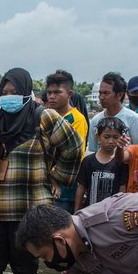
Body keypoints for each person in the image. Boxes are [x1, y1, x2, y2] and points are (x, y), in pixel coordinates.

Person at [0, 68, 82, 274]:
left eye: (14, 91)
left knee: (25, 268)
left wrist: (57, 177)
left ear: (25, 92)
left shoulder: (44, 117)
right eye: (5, 91)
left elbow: (74, 147)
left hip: (30, 210)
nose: (9, 96)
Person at [44, 70, 88, 213]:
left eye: (57, 92)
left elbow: (74, 154)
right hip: (45, 181)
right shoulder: (46, 116)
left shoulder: (76, 119)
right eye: (49, 92)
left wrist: (55, 179)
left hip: (65, 184)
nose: (52, 96)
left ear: (69, 94)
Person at [75, 117, 129, 211]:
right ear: (98, 137)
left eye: (115, 137)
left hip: (112, 212)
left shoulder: (121, 163)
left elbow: (122, 189)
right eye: (106, 137)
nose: (111, 141)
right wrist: (76, 211)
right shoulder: (88, 161)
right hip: (90, 211)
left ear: (121, 137)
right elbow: (81, 187)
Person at [87, 72, 138, 152]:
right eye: (100, 93)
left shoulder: (134, 119)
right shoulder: (95, 120)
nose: (101, 97)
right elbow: (92, 150)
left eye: (106, 93)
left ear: (119, 95)